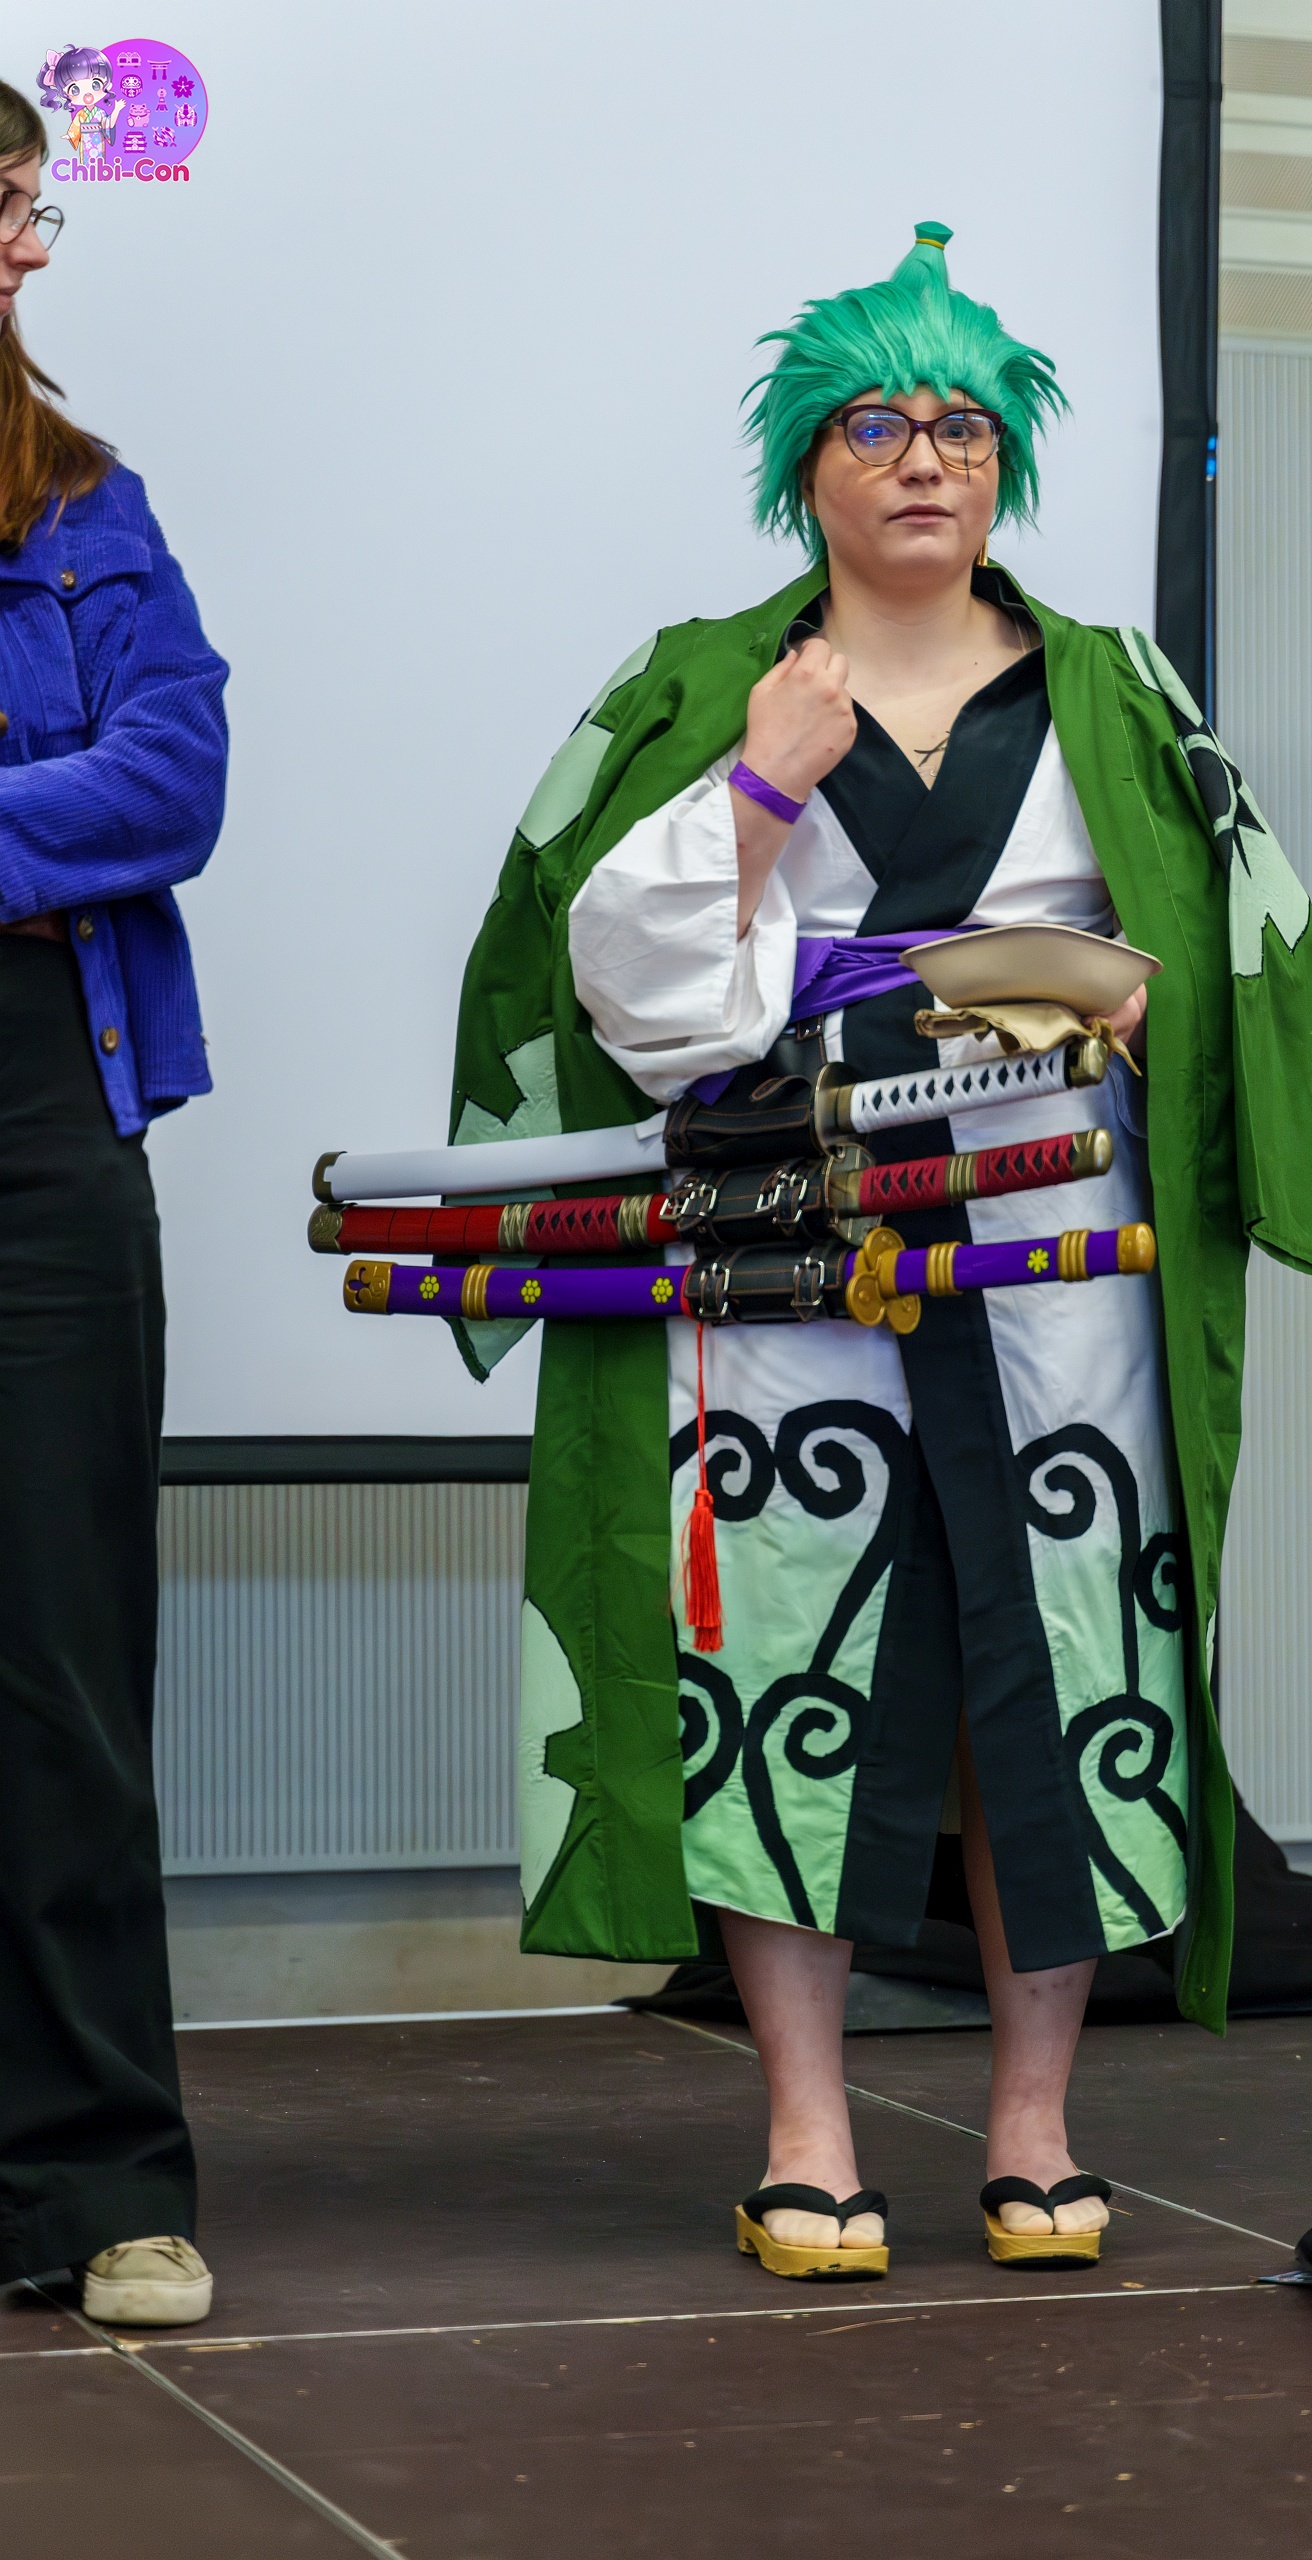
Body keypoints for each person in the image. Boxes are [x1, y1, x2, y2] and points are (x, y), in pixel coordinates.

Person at [447, 222, 1312, 2275]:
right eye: (873, 425)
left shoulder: (1117, 690)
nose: (923, 458)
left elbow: (1238, 965)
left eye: (962, 426)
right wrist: (761, 787)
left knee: (1057, 1670)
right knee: (782, 1672)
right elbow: (622, 990)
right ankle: (806, 2126)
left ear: (1003, 461)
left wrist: (1123, 1004)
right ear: (803, 469)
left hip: (1057, 1264)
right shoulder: (699, 682)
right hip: (787, 1256)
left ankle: (1032, 2119)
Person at [0, 79, 227, 2327]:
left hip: (38, 1126)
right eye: (2, 205)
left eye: (28, 205)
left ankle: (94, 2183)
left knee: (60, 1662)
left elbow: (172, 780)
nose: (28, 244)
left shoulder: (86, 504)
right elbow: (89, 791)